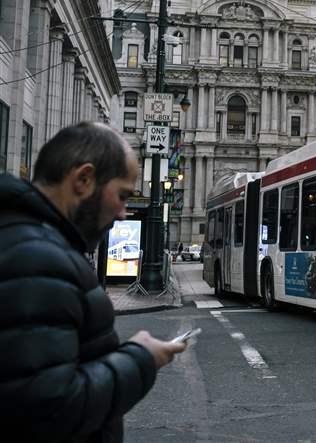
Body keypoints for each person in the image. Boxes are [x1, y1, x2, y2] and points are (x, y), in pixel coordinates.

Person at [0, 122, 187, 442]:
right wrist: (142, 358)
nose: (124, 213)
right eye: (122, 195)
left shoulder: (27, 239)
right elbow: (50, 410)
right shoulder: (37, 258)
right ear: (83, 180)